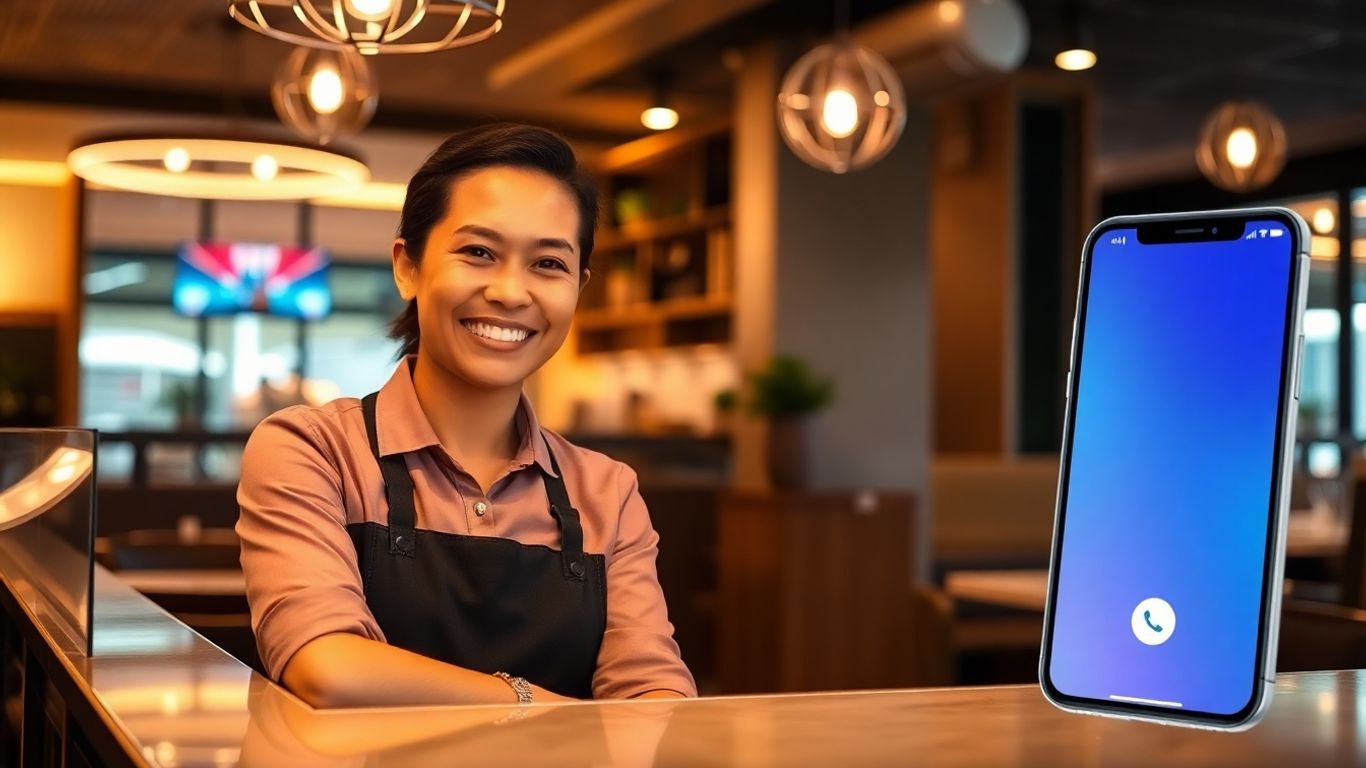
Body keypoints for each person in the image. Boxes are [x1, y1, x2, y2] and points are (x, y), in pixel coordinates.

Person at [236, 124, 696, 708]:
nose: (510, 291)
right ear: (408, 266)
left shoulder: (607, 491)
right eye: (478, 252)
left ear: (578, 288)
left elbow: (655, 695)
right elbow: (326, 666)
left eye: (548, 263)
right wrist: (537, 706)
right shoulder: (312, 450)